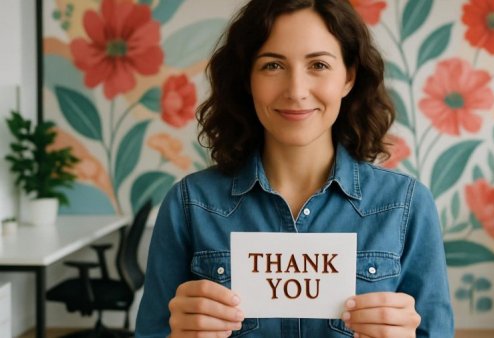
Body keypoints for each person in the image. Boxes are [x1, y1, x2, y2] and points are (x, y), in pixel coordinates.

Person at [135, 0, 453, 337]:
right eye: (273, 65)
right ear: (247, 79)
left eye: (318, 64)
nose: (296, 91)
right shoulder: (189, 204)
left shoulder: (407, 204)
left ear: (348, 77)